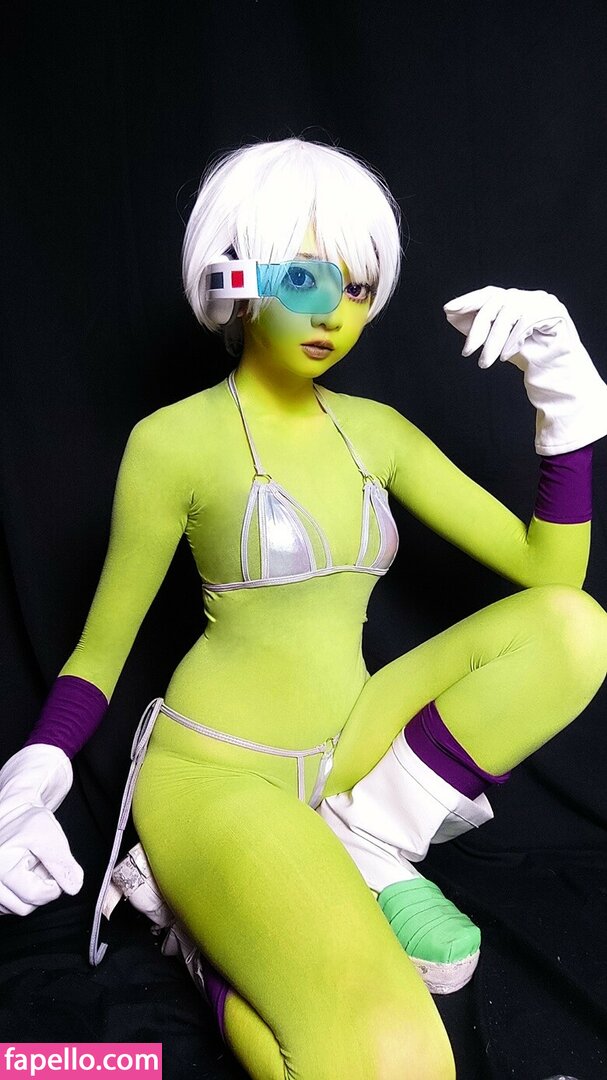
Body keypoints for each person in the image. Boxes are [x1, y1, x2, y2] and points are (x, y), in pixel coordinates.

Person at [1, 136, 606, 1080]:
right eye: (303, 278)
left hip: (348, 752)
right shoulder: (172, 441)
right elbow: (99, 648)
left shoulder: (377, 433)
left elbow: (550, 573)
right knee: (399, 1060)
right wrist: (35, 772)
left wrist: (567, 402)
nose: (334, 313)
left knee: (575, 629)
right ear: (237, 278)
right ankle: (202, 938)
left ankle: (366, 840)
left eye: (356, 287)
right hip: (217, 777)